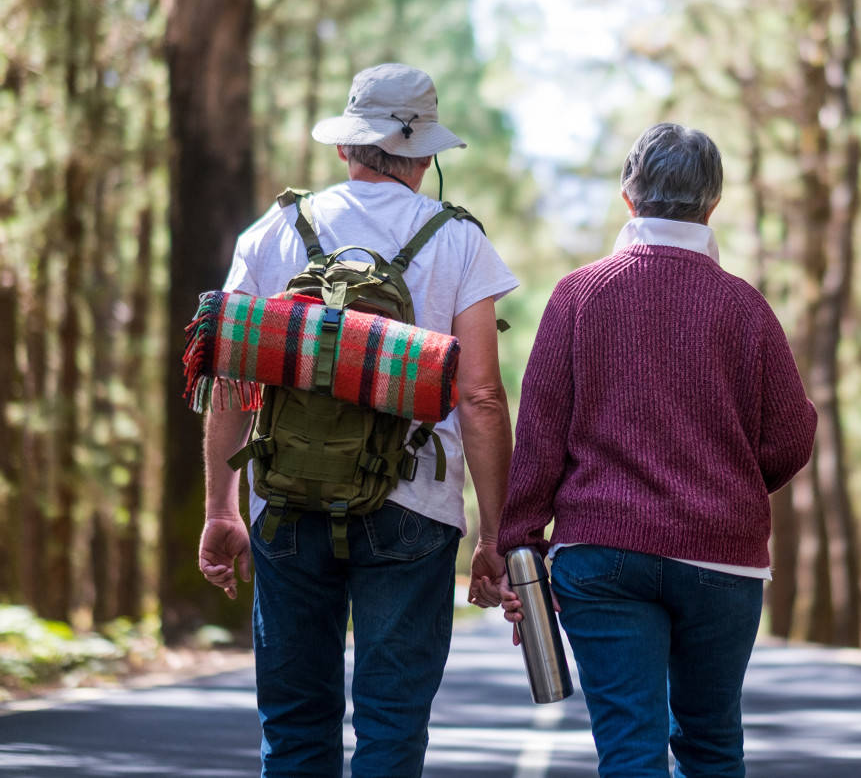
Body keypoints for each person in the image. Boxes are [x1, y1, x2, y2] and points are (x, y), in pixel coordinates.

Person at [197, 63, 517, 777]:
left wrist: (222, 506)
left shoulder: (276, 230)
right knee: (391, 723)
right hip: (412, 508)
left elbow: (230, 374)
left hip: (284, 502)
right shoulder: (459, 240)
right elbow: (483, 398)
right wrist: (496, 533)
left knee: (294, 722)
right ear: (426, 153)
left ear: (346, 147)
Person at [497, 123, 816, 777]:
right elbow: (792, 436)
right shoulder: (746, 307)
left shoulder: (579, 294)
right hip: (723, 561)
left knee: (631, 749)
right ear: (713, 204)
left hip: (603, 555)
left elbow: (539, 433)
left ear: (627, 197)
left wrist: (518, 543)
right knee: (711, 746)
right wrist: (729, 486)